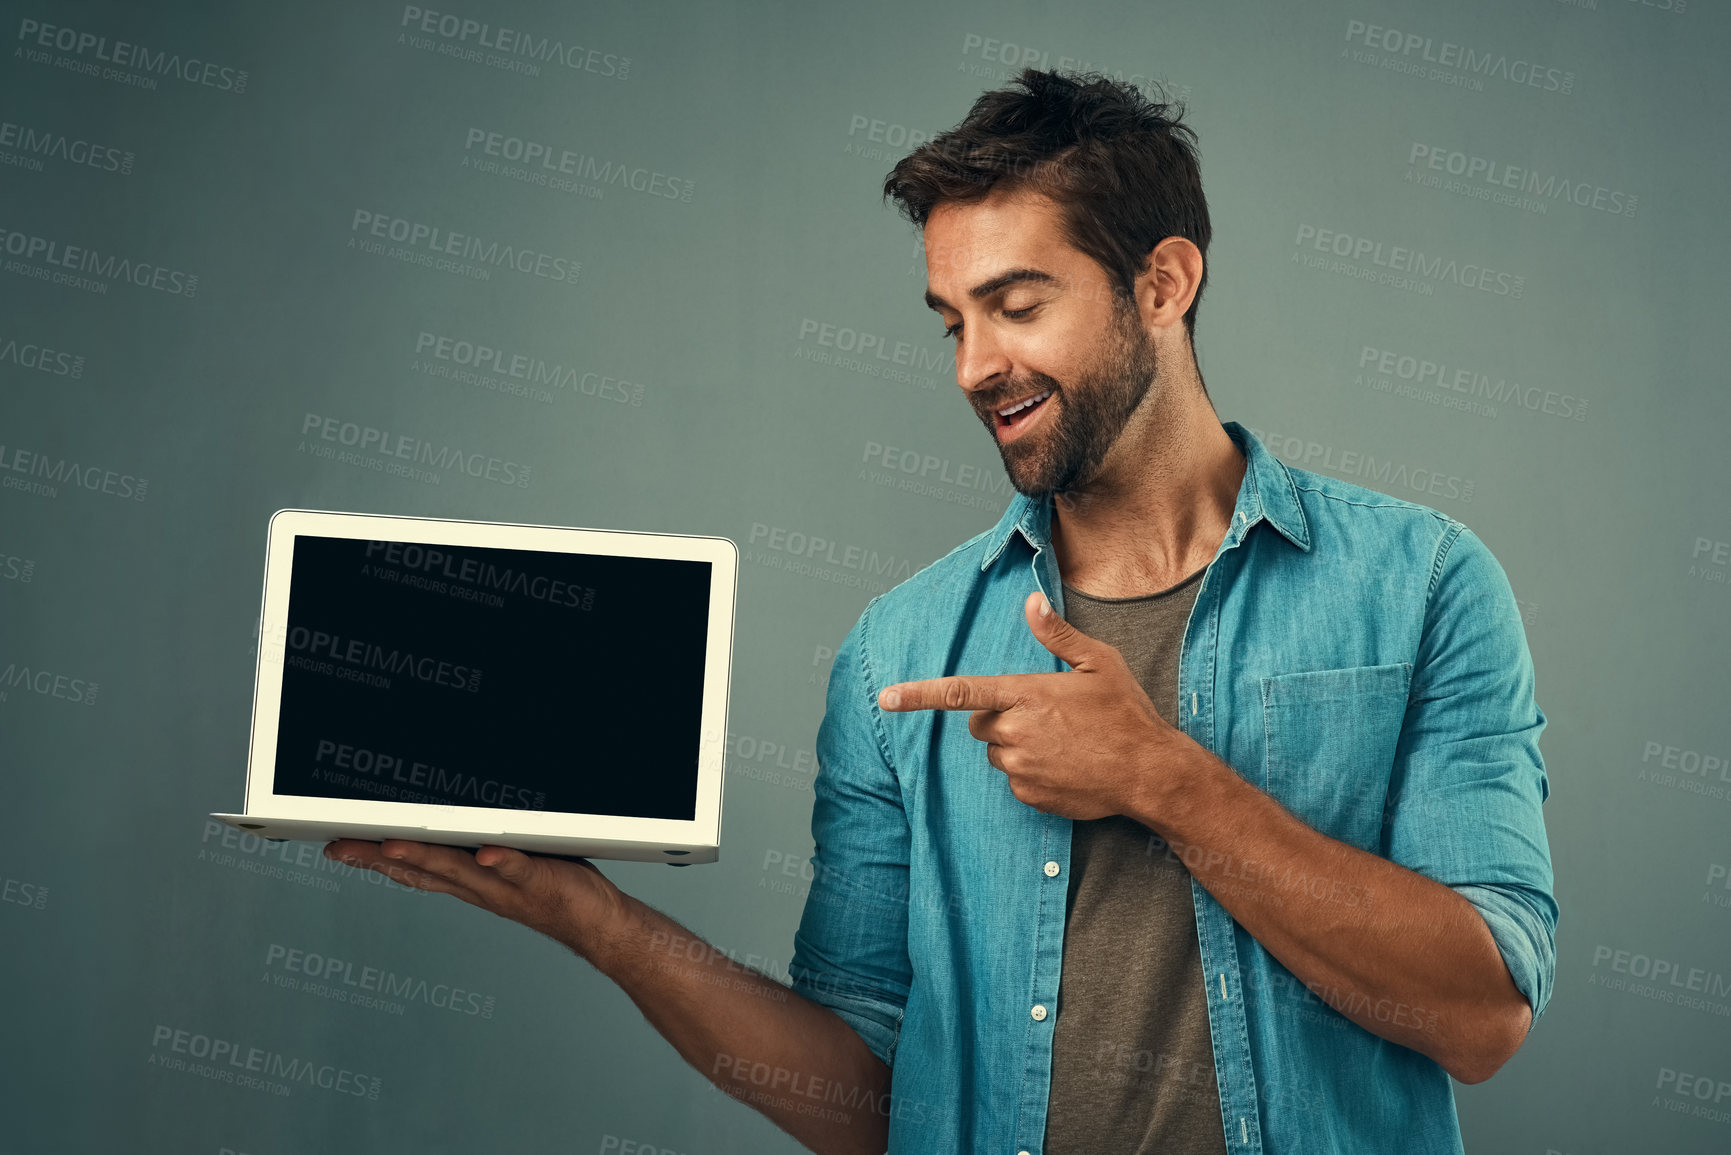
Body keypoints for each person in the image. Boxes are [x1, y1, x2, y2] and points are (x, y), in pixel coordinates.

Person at [327, 68, 1555, 1155]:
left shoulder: (1424, 586)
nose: (974, 366)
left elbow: (1482, 1015)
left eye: (1019, 306)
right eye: (953, 321)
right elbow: (869, 1102)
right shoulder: (898, 654)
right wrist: (597, 922)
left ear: (1164, 283)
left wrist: (1162, 777)